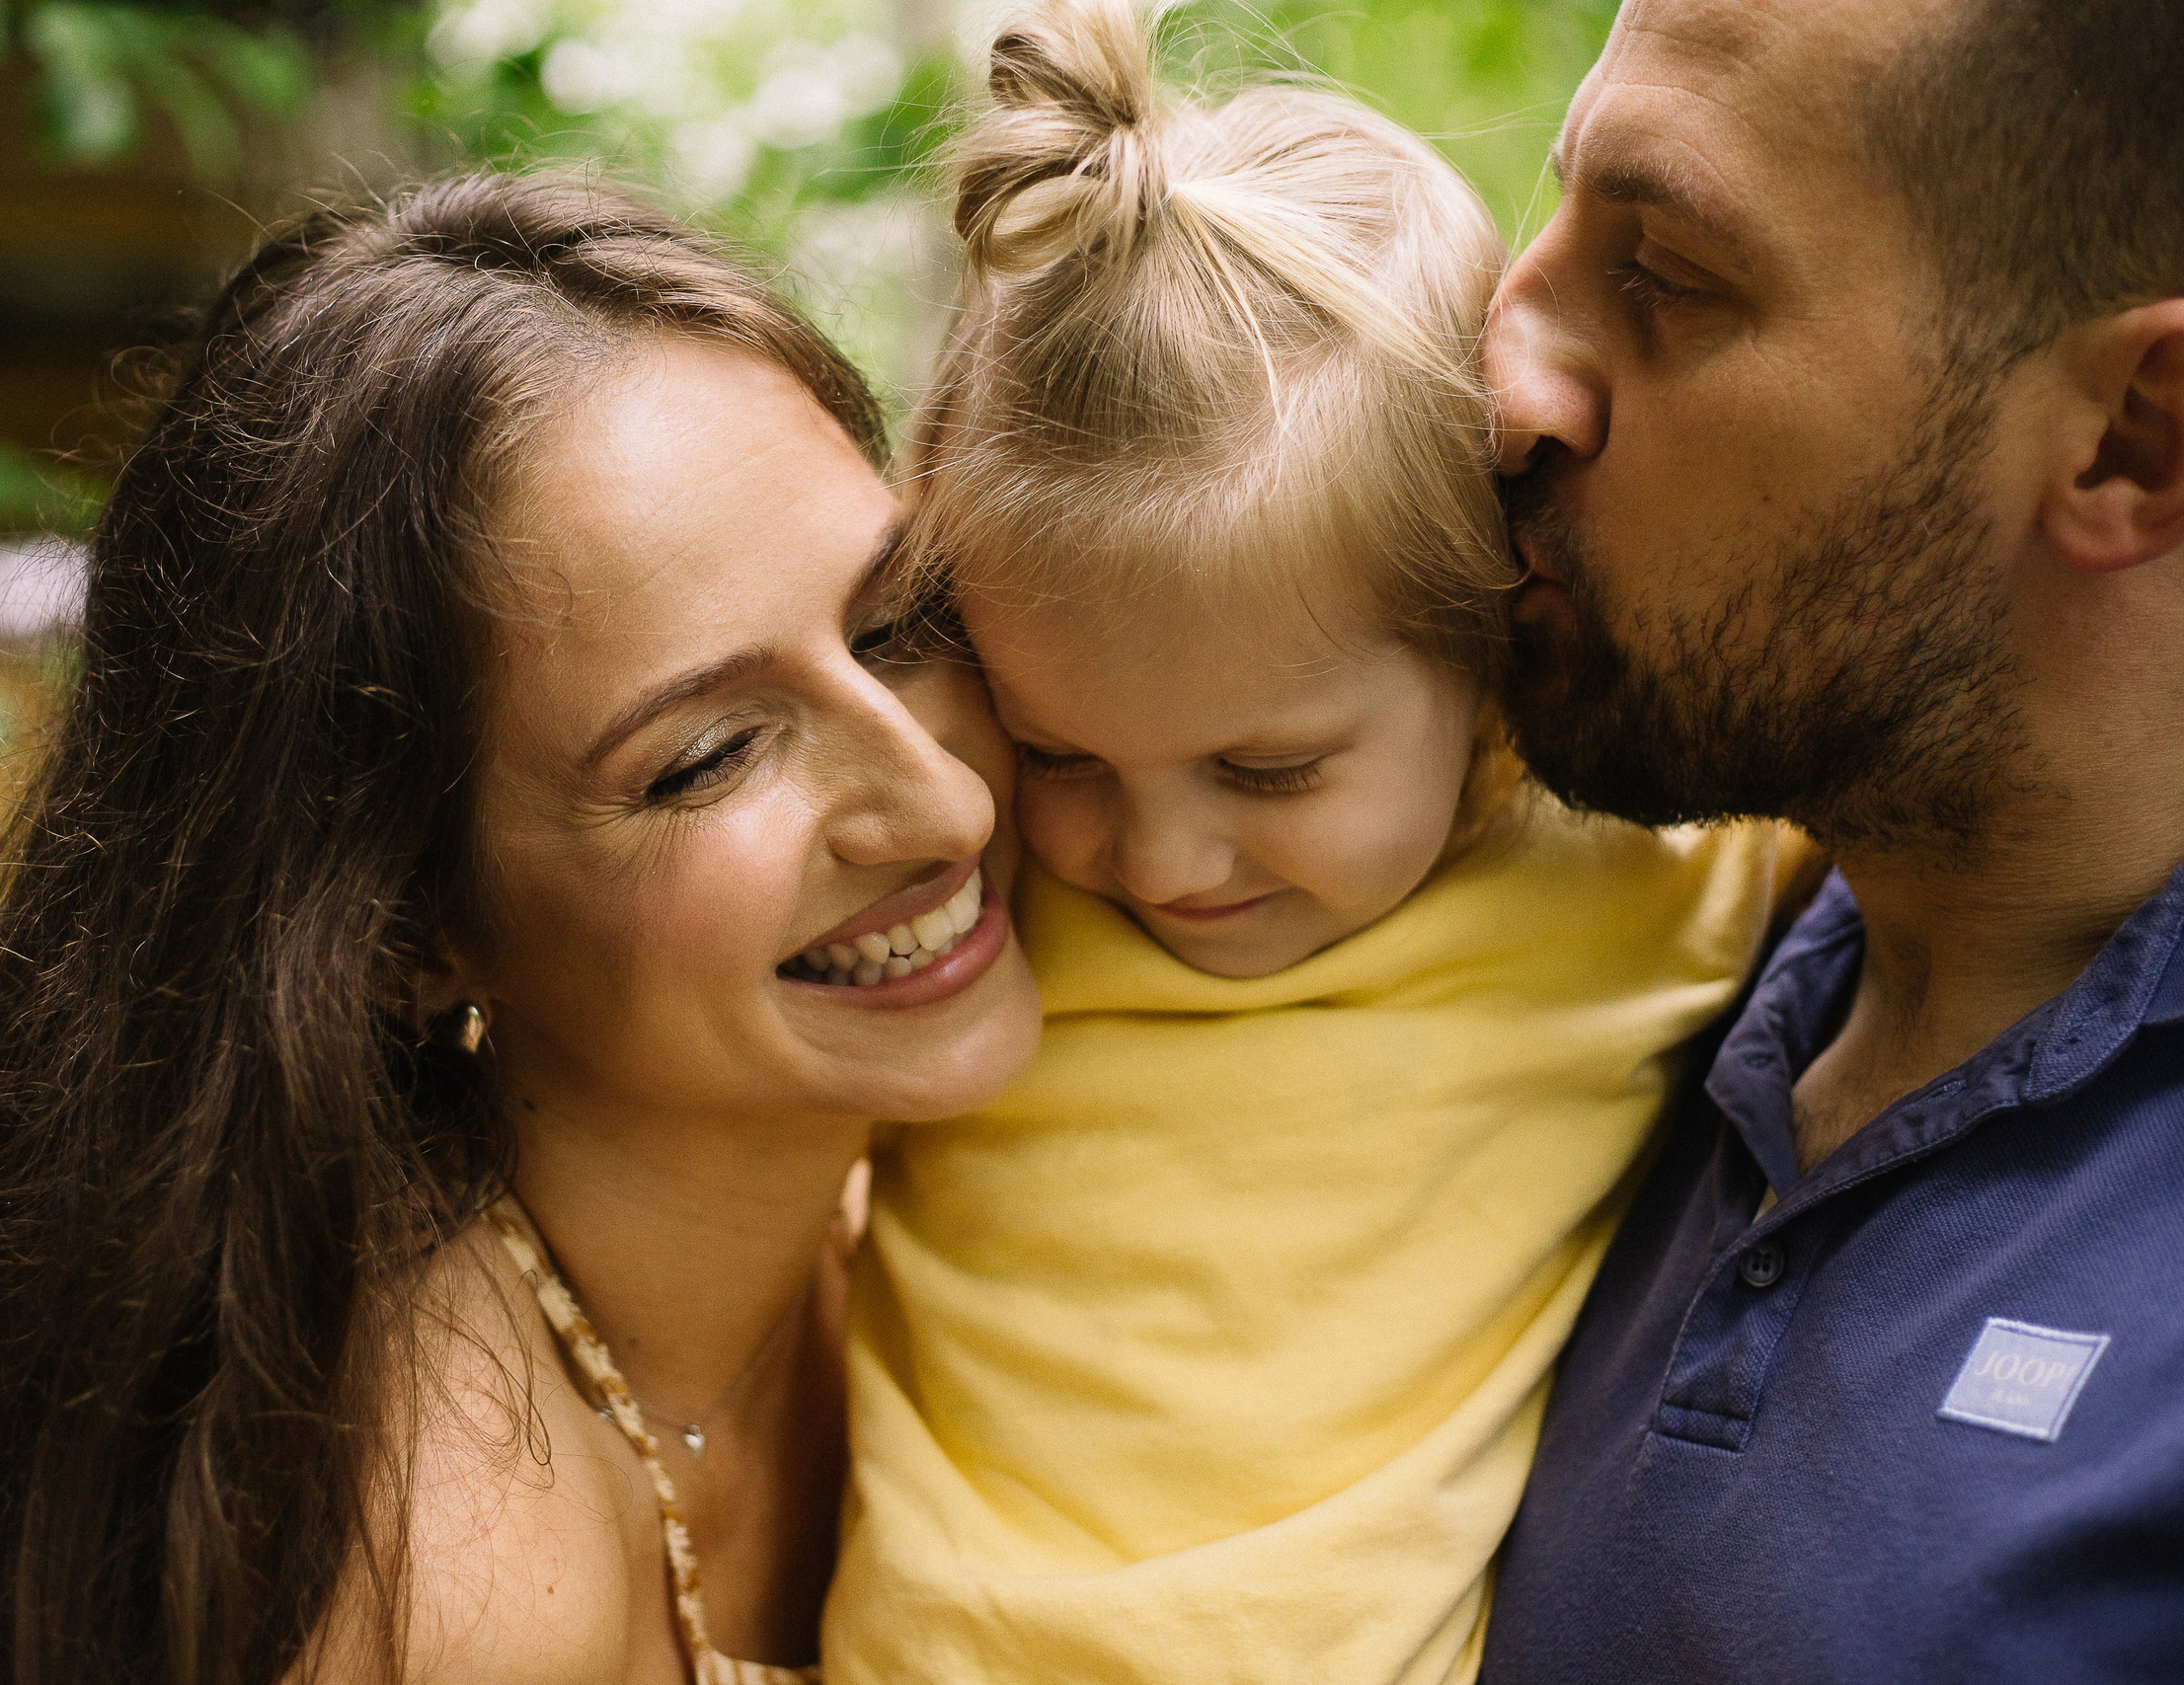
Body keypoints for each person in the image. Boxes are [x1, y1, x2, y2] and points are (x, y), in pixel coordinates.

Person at [0, 173, 1044, 1685]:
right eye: (706, 756)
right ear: (403, 931)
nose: (944, 807)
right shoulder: (433, 1581)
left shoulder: (964, 1225)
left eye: (899, 625)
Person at [821, 5, 1789, 1680]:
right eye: (1061, 752)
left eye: (1268, 770)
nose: (1165, 858)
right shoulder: (968, 925)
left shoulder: (1646, 879)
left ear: (1493, 654)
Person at [1478, 0, 2184, 1677]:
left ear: (2133, 436)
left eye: (1664, 276)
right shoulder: (1614, 967)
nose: (1507, 373)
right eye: (1556, 207)